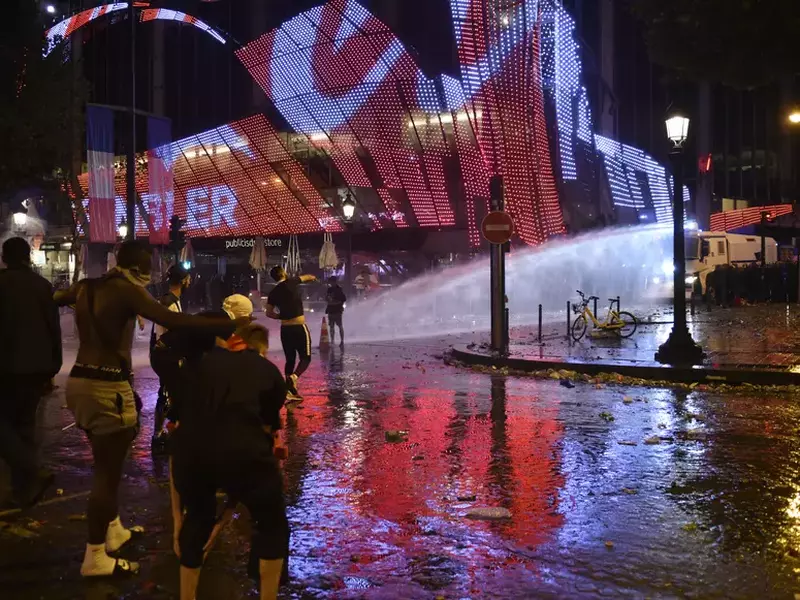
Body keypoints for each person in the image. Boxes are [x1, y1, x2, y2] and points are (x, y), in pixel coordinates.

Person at [54, 240, 242, 578]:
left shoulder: (86, 287)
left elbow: (52, 298)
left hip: (79, 382)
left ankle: (112, 529)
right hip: (106, 385)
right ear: (140, 269)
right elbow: (170, 319)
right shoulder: (128, 290)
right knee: (106, 475)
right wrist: (225, 325)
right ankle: (95, 555)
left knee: (105, 462)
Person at [170, 323, 288, 600]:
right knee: (272, 524)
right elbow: (269, 430)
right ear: (261, 349)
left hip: (192, 454)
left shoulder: (196, 367)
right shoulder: (267, 370)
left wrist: (177, 521)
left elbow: (179, 429)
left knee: (197, 521)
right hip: (245, 453)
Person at [0, 237, 61, 508]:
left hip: (6, 368)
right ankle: (23, 491)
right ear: (28, 257)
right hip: (37, 368)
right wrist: (52, 367)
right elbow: (53, 330)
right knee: (24, 425)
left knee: (8, 425)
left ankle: (31, 472)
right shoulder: (43, 287)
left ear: (4, 257)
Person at [150, 264, 192, 454]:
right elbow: (171, 332)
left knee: (169, 392)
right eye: (188, 278)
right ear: (183, 280)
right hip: (167, 354)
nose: (190, 281)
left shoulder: (170, 300)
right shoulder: (170, 303)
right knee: (168, 393)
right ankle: (159, 433)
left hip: (163, 353)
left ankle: (163, 431)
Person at [265, 266, 317, 399]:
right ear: (282, 273)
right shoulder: (291, 281)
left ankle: (290, 391)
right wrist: (314, 278)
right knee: (306, 358)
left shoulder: (273, 293)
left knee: (290, 359)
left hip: (285, 329)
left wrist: (281, 316)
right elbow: (308, 277)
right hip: (299, 327)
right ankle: (294, 377)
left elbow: (269, 313)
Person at [325, 277, 347, 348]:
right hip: (331, 310)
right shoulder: (329, 289)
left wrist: (336, 303)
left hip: (337, 310)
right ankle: (332, 341)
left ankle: (342, 341)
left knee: (339, 326)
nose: (331, 283)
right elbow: (327, 298)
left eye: (332, 282)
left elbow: (343, 299)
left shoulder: (339, 290)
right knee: (331, 326)